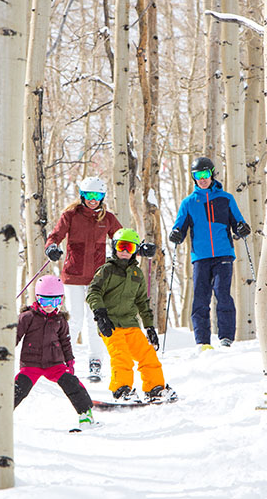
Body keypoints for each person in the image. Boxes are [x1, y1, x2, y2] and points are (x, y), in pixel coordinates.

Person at [43, 176, 123, 383]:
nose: (93, 200)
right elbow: (55, 236)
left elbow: (122, 238)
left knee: (94, 320)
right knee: (75, 318)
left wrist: (138, 247)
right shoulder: (70, 215)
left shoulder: (107, 219)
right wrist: (51, 247)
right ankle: (61, 359)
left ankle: (95, 361)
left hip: (97, 279)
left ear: (102, 197)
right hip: (73, 276)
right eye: (89, 195)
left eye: (97, 196)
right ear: (82, 195)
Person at [168, 157, 251, 351]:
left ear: (212, 174)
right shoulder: (189, 203)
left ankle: (226, 338)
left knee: (222, 293)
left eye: (205, 174)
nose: (202, 179)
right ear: (193, 177)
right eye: (198, 175)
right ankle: (202, 341)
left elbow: (238, 222)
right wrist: (176, 234)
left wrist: (242, 228)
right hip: (201, 256)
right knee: (200, 297)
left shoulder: (226, 198)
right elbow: (178, 228)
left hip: (223, 254)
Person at [86, 228, 175, 404]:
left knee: (147, 355)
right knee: (122, 357)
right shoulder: (106, 270)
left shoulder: (137, 274)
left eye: (130, 248)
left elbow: (142, 302)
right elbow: (92, 292)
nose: (125, 251)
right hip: (110, 324)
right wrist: (100, 314)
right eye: (122, 246)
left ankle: (155, 388)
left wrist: (149, 327)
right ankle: (122, 389)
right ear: (114, 247)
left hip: (131, 324)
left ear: (135, 251)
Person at [14, 275, 97, 429]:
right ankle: (0, 416)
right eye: (45, 301)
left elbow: (65, 342)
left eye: (55, 301)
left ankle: (86, 414)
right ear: (37, 298)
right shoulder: (27, 317)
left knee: (72, 384)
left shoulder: (60, 320)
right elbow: (14, 336)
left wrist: (70, 362)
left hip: (54, 364)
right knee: (19, 388)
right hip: (31, 364)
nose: (50, 306)